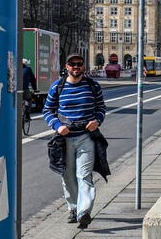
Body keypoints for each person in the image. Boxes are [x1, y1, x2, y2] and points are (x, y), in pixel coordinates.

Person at [43, 53, 107, 229]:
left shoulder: (92, 86)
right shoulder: (58, 86)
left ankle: (84, 212)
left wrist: (97, 121)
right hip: (64, 139)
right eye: (73, 64)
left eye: (79, 64)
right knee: (68, 176)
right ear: (66, 66)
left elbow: (101, 107)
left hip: (86, 137)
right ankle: (73, 207)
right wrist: (57, 126)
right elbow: (47, 110)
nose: (76, 67)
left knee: (84, 175)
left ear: (83, 66)